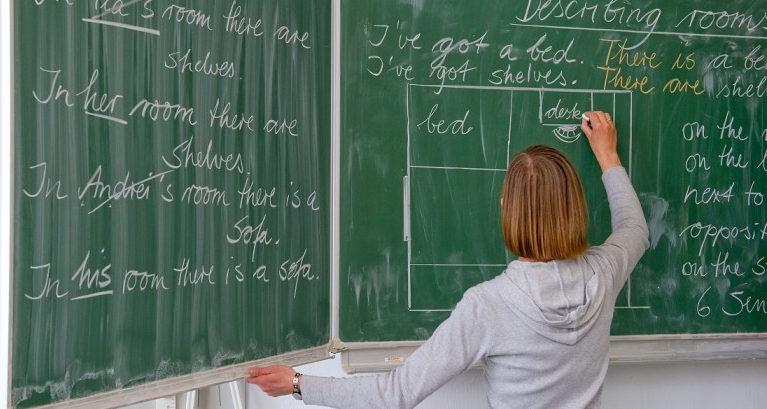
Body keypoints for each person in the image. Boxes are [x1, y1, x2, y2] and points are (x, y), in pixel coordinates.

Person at [247, 110, 649, 408]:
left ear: (505, 207)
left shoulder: (489, 305)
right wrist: (608, 155)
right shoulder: (603, 272)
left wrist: (298, 384)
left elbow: (397, 393)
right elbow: (635, 228)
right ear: (575, 209)